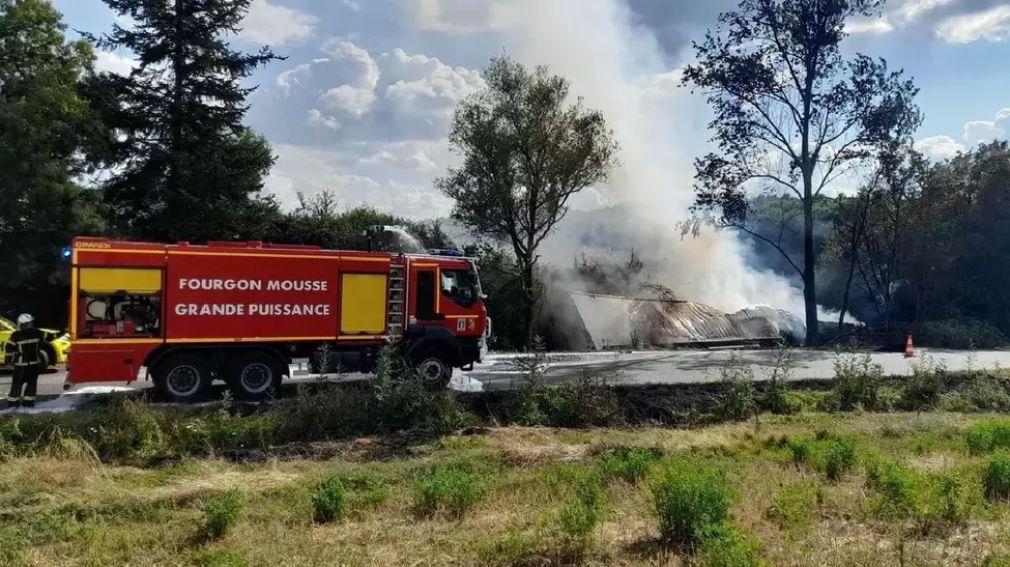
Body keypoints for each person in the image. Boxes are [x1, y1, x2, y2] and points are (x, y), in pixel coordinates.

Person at [5, 313, 44, 408]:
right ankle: (28, 404)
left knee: (16, 385)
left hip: (20, 366)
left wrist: (8, 362)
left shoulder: (16, 336)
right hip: (34, 364)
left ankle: (13, 404)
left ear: (21, 324)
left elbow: (9, 350)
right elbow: (51, 337)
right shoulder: (38, 333)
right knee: (31, 385)